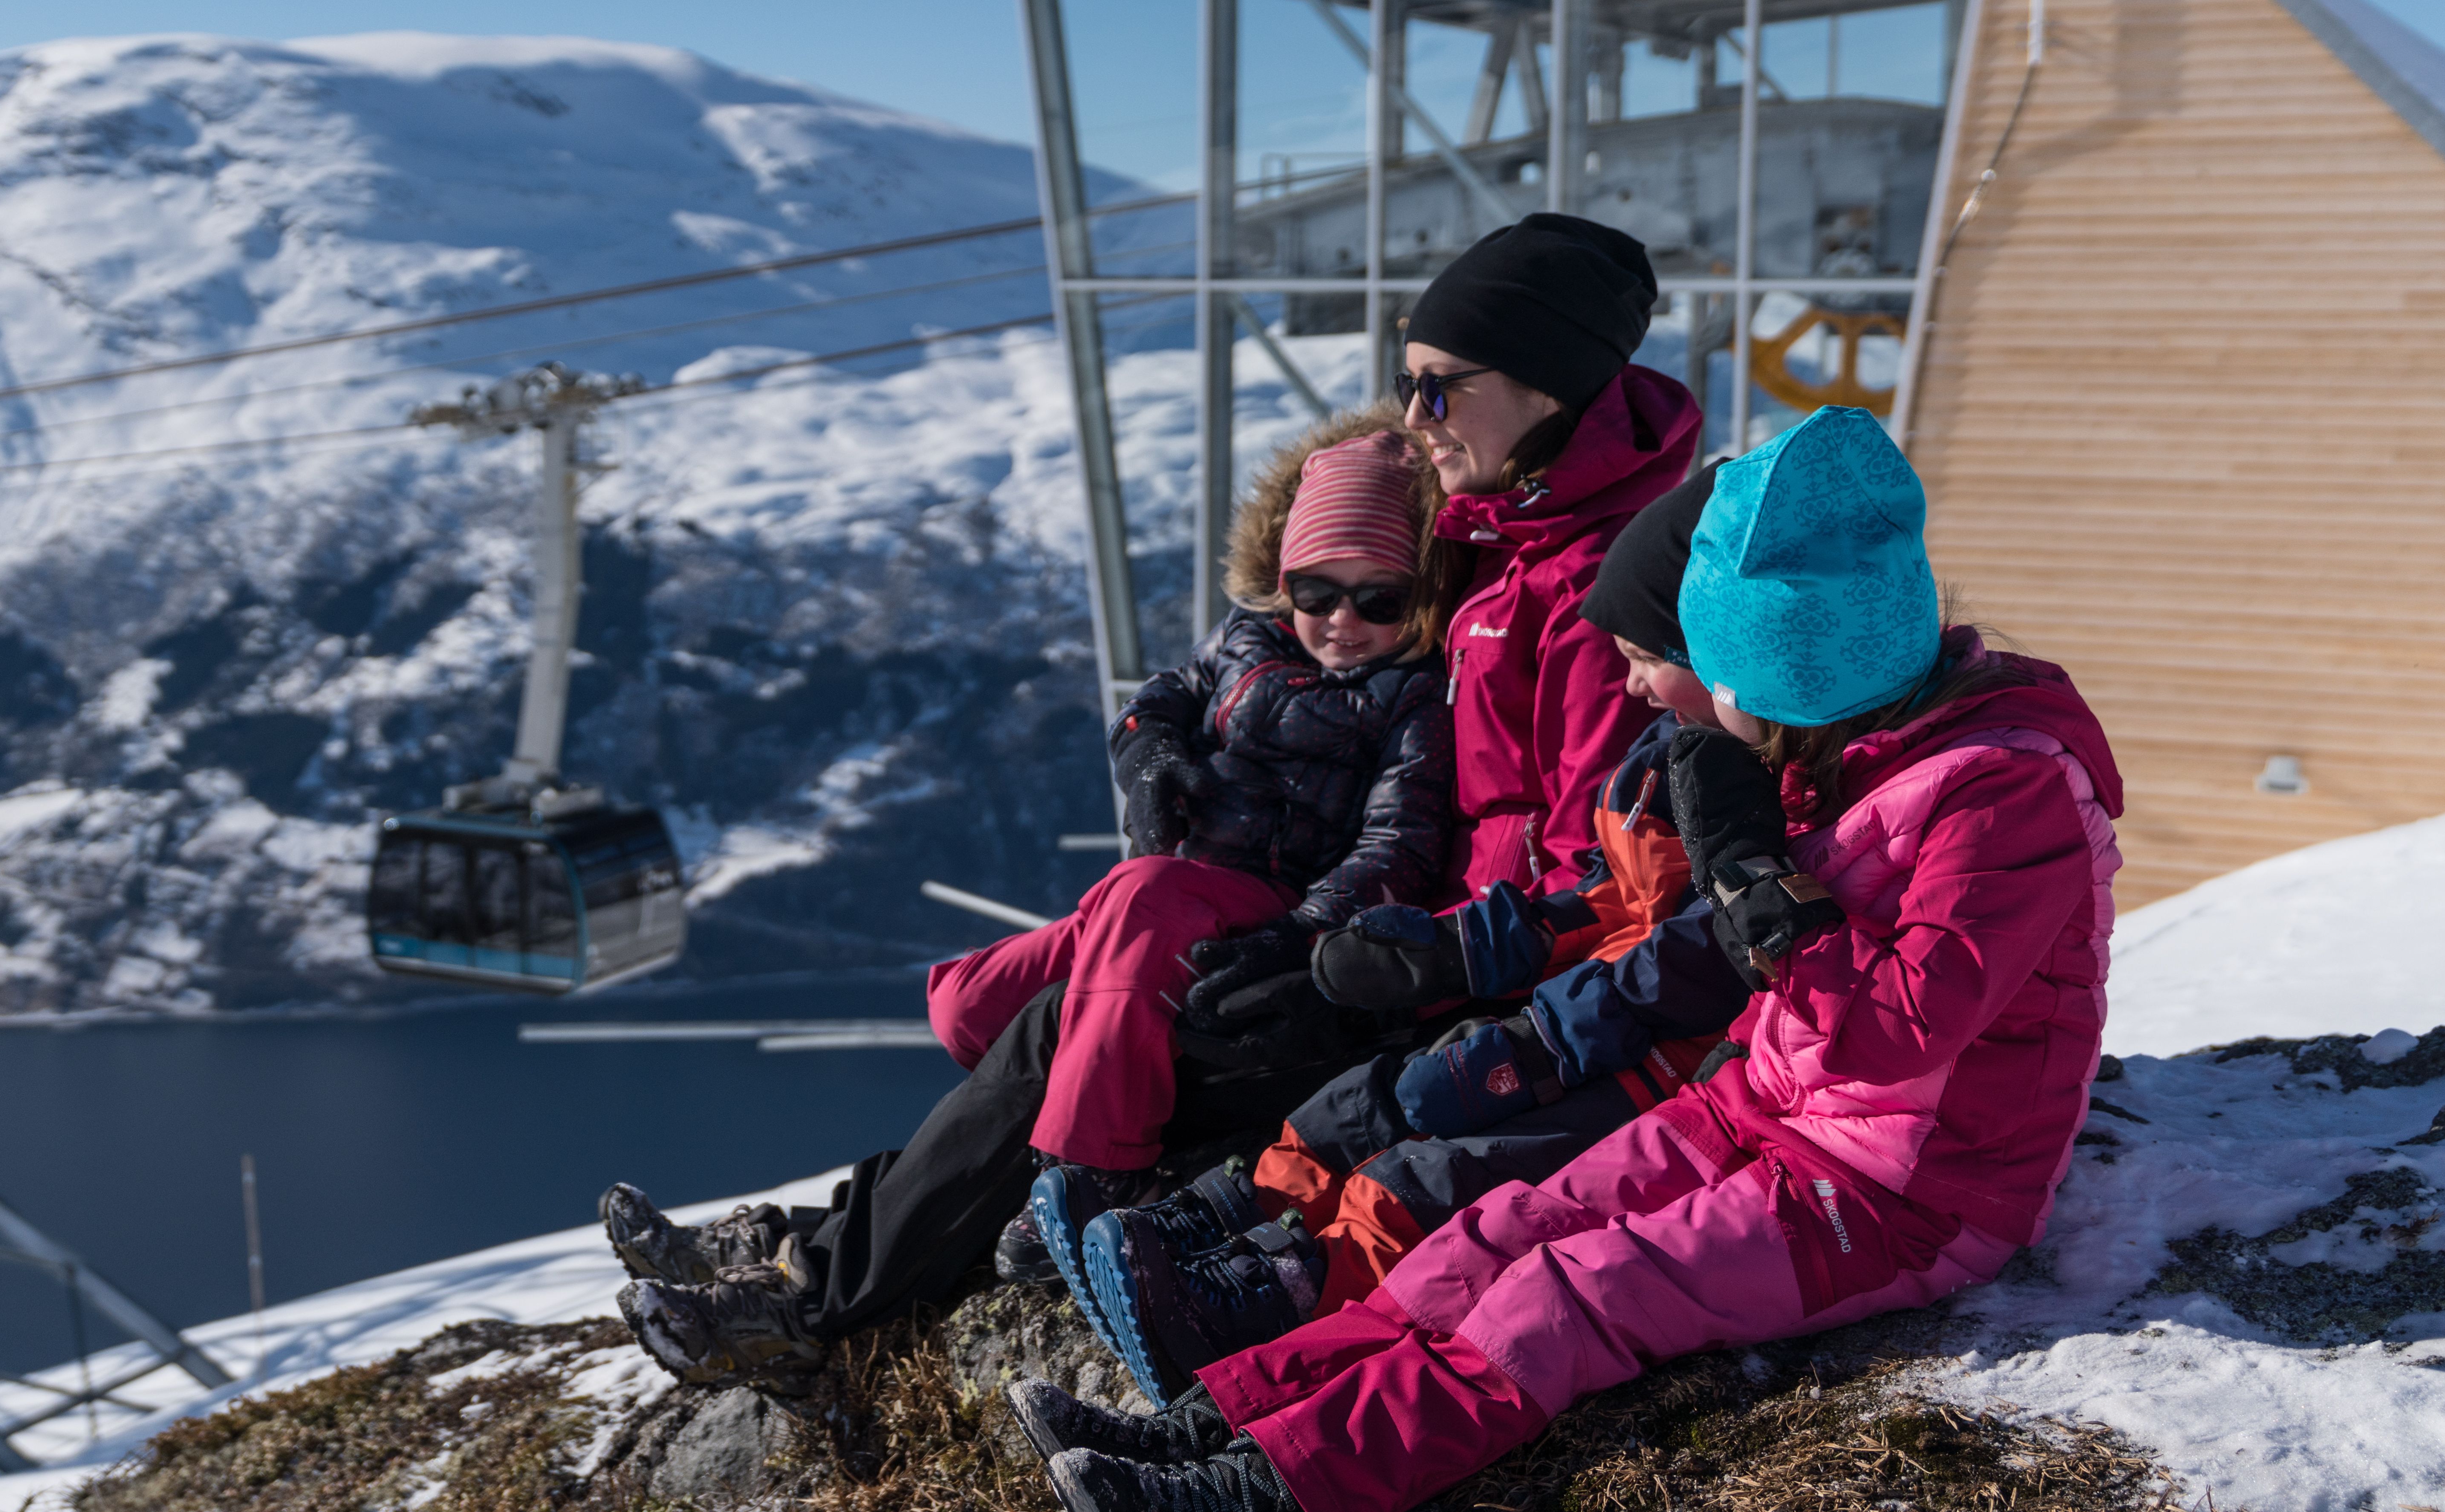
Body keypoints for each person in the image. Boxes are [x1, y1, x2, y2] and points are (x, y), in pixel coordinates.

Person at [1004, 408, 2124, 1512]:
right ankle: (1215, 1424)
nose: (1688, 704)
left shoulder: (2005, 793)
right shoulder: (1853, 752)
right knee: (1494, 1231)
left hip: (1905, 1191)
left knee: (1575, 1291)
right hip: (1762, 1107)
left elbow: (1892, 1035)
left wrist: (1753, 878)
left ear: (1783, 675)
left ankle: (1257, 1511)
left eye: (1715, 679)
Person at [604, 410, 1460, 1388]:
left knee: (1083, 987)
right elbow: (1162, 696)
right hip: (1167, 904)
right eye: (1315, 591)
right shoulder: (1245, 640)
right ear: (1281, 578)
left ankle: (1066, 1181)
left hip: (1263, 926)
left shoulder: (1406, 698)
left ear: (1418, 597)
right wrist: (1148, 751)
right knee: (979, 1003)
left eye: (1378, 598)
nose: (1342, 619)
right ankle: (796, 1243)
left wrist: (1303, 935)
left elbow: (1396, 845)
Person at [1069, 465, 1754, 1406]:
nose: (1628, 683)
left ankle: (1263, 1305)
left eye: (1643, 657)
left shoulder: (1743, 796)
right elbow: (1603, 902)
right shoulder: (1664, 753)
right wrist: (1454, 949)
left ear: (1717, 650)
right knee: (1372, 1098)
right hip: (1582, 1014)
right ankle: (1233, 1226)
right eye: (1311, 593)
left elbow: (1696, 957)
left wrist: (1541, 1029)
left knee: (1438, 1173)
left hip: (1640, 1059)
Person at [1168, 215, 1702, 1075]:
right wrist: (1157, 729)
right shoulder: (1487, 540)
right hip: (1412, 931)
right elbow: (1317, 643)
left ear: (1545, 386)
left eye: (1440, 387)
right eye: (1406, 385)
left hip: (1485, 982)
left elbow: (1597, 866)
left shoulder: (1591, 587)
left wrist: (1407, 979)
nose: (1416, 415)